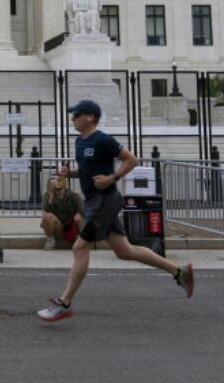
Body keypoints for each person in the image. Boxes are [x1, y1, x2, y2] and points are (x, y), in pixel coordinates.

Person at [38, 99, 194, 321]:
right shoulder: (79, 142)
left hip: (105, 200)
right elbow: (86, 169)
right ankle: (180, 271)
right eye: (72, 115)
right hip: (94, 200)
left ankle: (64, 303)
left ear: (90, 117)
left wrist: (113, 177)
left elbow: (131, 159)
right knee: (125, 251)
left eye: (76, 115)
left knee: (80, 247)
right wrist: (70, 173)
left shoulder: (103, 140)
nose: (72, 118)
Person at [40, 173, 84, 249]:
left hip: (72, 226)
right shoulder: (47, 195)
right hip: (58, 227)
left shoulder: (72, 195)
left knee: (82, 217)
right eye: (54, 181)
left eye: (59, 180)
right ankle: (51, 241)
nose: (57, 182)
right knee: (47, 217)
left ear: (64, 182)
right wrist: (51, 197)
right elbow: (46, 211)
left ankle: (82, 241)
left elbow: (83, 207)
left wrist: (79, 213)